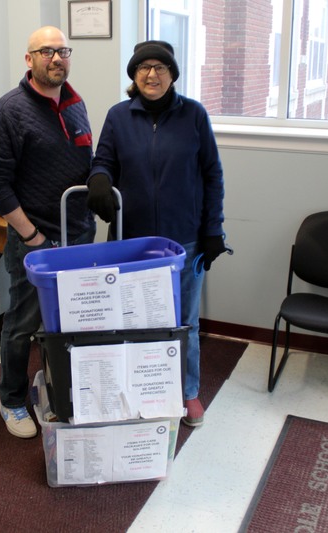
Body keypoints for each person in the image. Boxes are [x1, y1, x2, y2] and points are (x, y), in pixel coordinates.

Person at [87, 40, 226, 427]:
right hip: (132, 241)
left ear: (172, 74)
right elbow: (104, 161)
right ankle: (138, 389)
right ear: (134, 75)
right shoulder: (118, 117)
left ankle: (188, 392)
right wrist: (98, 179)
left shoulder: (194, 116)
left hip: (185, 239)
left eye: (160, 67)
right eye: (143, 68)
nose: (152, 74)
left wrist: (213, 229)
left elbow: (212, 175)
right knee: (131, 319)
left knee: (184, 322)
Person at [0, 26, 95, 438]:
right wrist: (31, 237)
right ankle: (11, 400)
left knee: (74, 320)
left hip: (78, 234)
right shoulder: (8, 111)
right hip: (36, 240)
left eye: (63, 50)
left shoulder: (75, 104)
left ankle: (63, 388)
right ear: (29, 60)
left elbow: (85, 160)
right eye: (46, 51)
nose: (56, 58)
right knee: (23, 323)